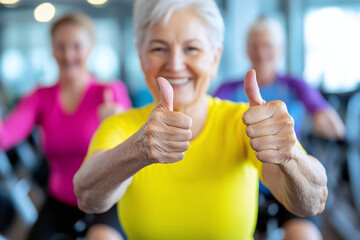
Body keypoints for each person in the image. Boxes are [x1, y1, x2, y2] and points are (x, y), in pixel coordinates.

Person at [73, 1, 328, 239]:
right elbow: (87, 197)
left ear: (214, 59)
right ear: (141, 58)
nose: (175, 64)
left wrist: (291, 154)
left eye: (192, 49)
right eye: (159, 48)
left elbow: (311, 201)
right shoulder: (122, 127)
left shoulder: (240, 122)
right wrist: (138, 150)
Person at [0, 12, 131, 240]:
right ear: (52, 49)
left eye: (76, 46)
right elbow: (7, 133)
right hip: (60, 200)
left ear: (90, 48)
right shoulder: (40, 96)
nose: (68, 54)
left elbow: (133, 147)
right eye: (61, 46)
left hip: (106, 201)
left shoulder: (110, 92)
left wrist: (118, 123)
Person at [214, 17, 344, 239]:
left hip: (288, 180)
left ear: (280, 50)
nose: (261, 52)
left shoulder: (295, 85)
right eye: (255, 45)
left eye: (268, 46)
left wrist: (322, 117)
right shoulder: (228, 89)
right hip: (240, 183)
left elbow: (335, 126)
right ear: (247, 50)